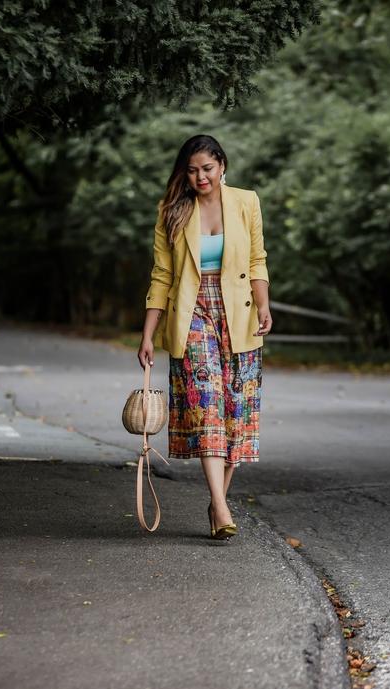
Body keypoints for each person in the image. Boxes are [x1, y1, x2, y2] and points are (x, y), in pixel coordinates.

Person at [138, 134, 272, 540]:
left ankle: (217, 505)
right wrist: (147, 334)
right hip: (192, 313)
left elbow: (257, 258)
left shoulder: (246, 202)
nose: (200, 177)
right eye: (192, 170)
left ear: (222, 166)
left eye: (207, 169)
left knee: (235, 418)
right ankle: (223, 505)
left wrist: (264, 304)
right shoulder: (172, 212)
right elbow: (162, 277)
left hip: (239, 316)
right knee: (209, 404)